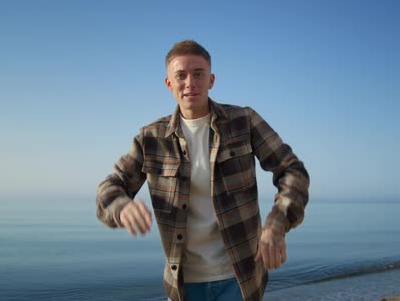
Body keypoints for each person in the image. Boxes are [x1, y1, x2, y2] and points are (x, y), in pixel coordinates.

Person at [96, 40, 309, 301]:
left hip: (241, 279)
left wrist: (276, 224)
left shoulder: (244, 121)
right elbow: (108, 189)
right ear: (168, 84)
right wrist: (122, 206)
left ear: (211, 80)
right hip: (184, 286)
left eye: (198, 74)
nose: (190, 83)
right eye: (181, 75)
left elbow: (292, 170)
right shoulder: (150, 139)